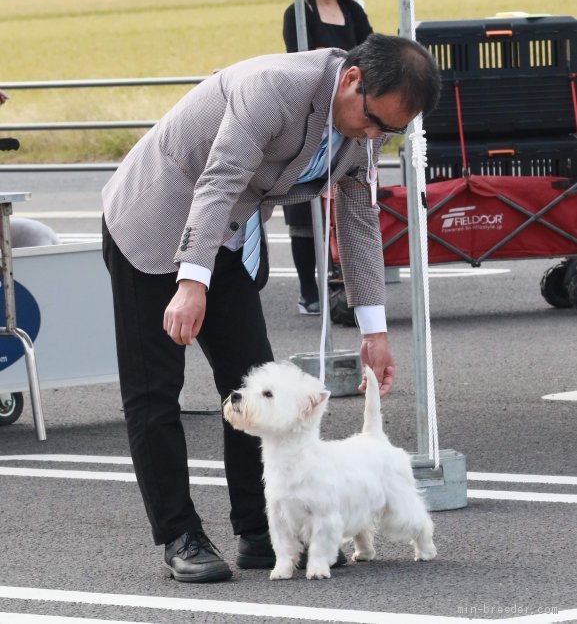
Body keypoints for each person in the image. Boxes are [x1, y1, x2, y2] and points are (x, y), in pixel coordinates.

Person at [101, 33, 440, 583]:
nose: (376, 135)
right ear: (352, 80)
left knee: (251, 379)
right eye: (376, 120)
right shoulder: (274, 89)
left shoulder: (365, 125)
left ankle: (260, 531)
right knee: (153, 390)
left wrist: (373, 329)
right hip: (156, 216)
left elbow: (357, 217)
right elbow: (220, 180)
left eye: (391, 130)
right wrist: (191, 283)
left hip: (230, 231)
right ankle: (180, 535)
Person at [282, 0, 373, 315]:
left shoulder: (353, 11)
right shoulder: (298, 13)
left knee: (351, 200)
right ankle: (309, 291)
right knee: (303, 204)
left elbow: (370, 56)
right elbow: (301, 61)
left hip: (349, 115)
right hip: (311, 113)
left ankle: (352, 288)